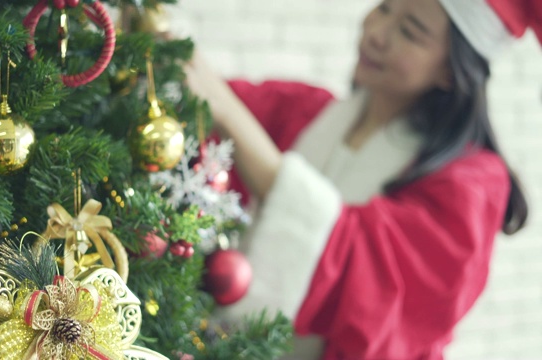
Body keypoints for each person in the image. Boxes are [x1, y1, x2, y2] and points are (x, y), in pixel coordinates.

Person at [184, 0, 542, 359]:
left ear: (451, 69)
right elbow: (201, 99)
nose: (376, 34)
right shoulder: (308, 112)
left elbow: (359, 270)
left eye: (409, 31)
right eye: (384, 8)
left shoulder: (472, 184)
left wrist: (230, 115)